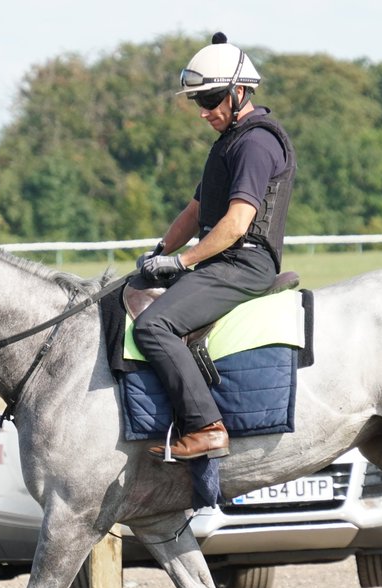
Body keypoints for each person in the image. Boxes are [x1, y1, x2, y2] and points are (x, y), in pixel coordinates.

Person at [134, 32, 297, 462]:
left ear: (239, 92)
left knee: (153, 326)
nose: (204, 111)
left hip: (243, 263)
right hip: (219, 260)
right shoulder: (227, 141)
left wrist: (180, 261)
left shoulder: (256, 143)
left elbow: (237, 223)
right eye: (198, 103)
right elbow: (194, 212)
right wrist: (157, 254)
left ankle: (207, 427)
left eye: (211, 99)